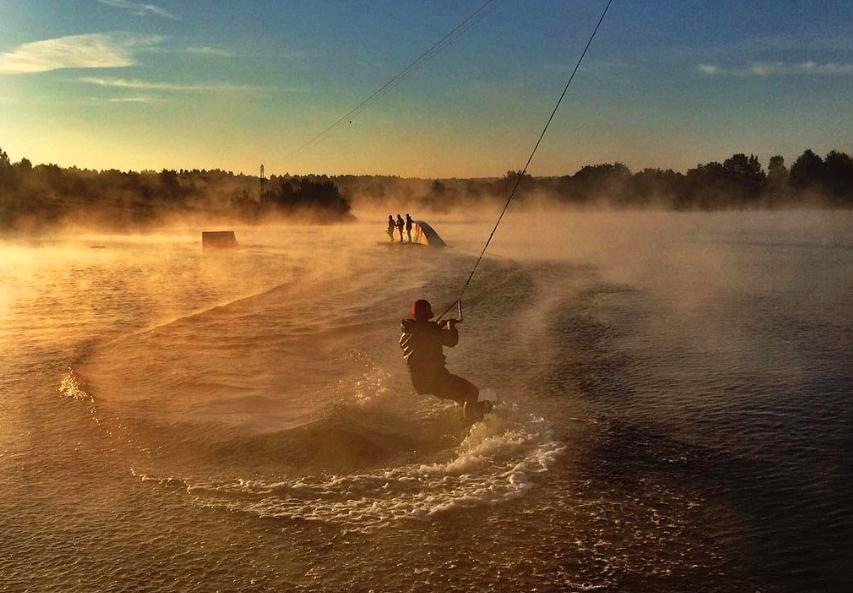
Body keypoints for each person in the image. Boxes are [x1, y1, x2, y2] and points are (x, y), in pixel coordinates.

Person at [399, 299, 492, 422]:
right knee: (472, 391)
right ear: (427, 314)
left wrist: (437, 327)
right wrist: (450, 326)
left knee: (461, 397)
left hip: (419, 383)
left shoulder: (406, 333)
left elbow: (423, 334)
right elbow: (451, 341)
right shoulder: (431, 330)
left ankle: (466, 422)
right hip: (436, 379)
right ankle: (471, 424)